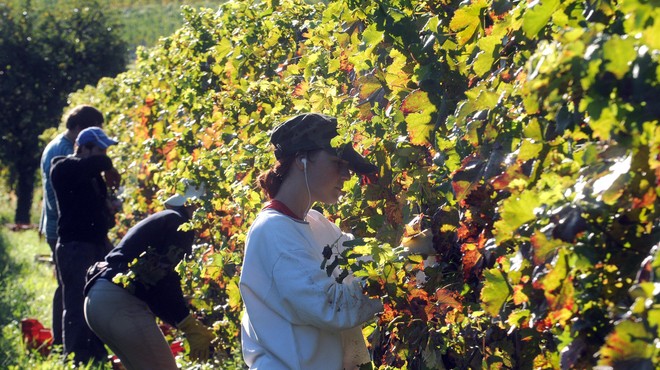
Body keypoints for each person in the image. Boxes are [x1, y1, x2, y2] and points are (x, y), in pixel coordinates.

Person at [239, 113, 384, 369]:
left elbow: (365, 257)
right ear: (302, 160)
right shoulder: (273, 231)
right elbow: (332, 306)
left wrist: (411, 252)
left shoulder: (316, 223)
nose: (346, 175)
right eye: (337, 162)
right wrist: (394, 278)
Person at [84, 181, 216, 370]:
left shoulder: (167, 219)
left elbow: (152, 284)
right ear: (194, 203)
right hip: (119, 303)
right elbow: (164, 281)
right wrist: (187, 323)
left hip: (99, 299)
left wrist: (183, 322)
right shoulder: (179, 225)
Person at [51, 126, 121, 364]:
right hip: (75, 247)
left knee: (98, 300)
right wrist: (108, 164)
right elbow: (93, 165)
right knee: (75, 301)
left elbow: (97, 208)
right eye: (100, 149)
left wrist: (109, 210)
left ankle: (97, 352)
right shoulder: (63, 167)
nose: (103, 155)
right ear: (84, 148)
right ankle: (76, 357)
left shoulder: (93, 176)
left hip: (96, 244)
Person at [39, 105, 105, 347]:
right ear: (80, 130)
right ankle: (67, 345)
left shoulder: (58, 144)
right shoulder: (65, 151)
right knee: (72, 291)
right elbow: (64, 189)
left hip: (60, 225)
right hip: (65, 228)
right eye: (95, 130)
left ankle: (67, 342)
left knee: (69, 287)